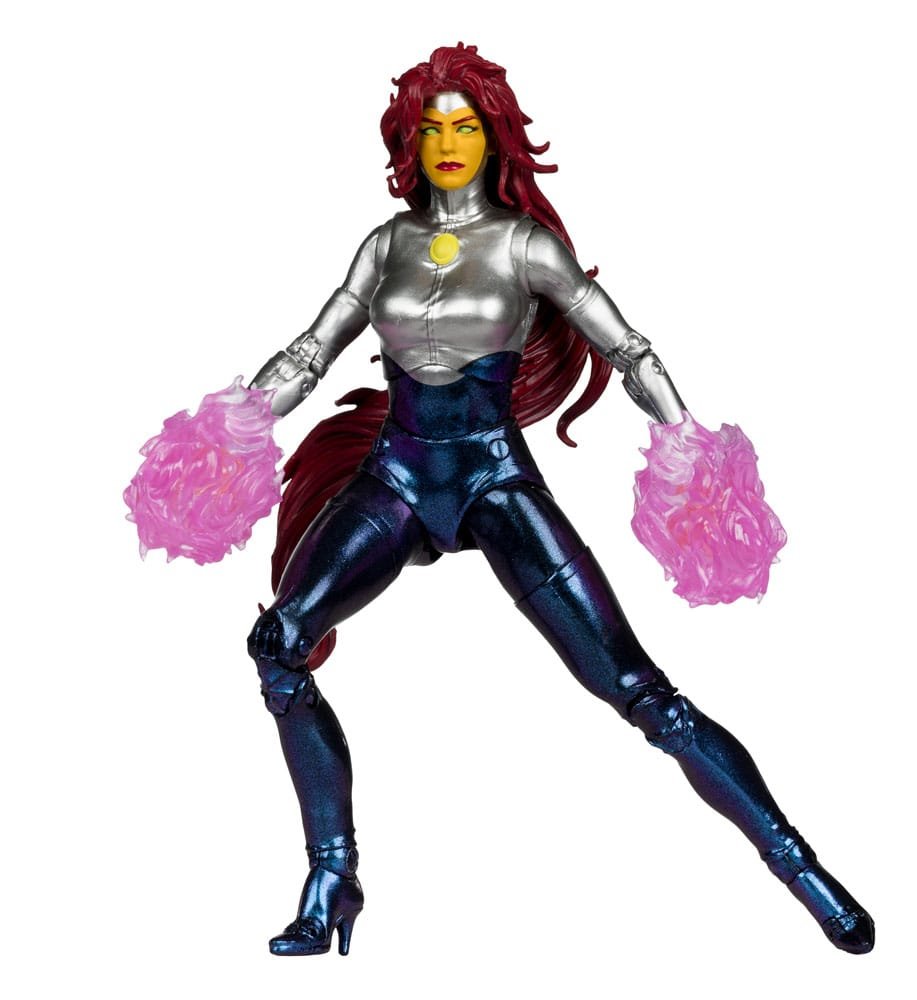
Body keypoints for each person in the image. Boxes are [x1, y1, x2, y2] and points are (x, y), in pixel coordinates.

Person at [246, 43, 874, 959]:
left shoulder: (524, 244)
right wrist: (228, 421)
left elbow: (630, 350)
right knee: (278, 645)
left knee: (640, 693)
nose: (448, 142)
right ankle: (332, 875)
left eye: (466, 126)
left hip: (495, 481)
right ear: (410, 141)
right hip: (398, 479)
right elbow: (312, 351)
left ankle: (801, 867)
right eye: (432, 128)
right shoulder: (386, 244)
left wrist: (687, 442)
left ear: (492, 136)